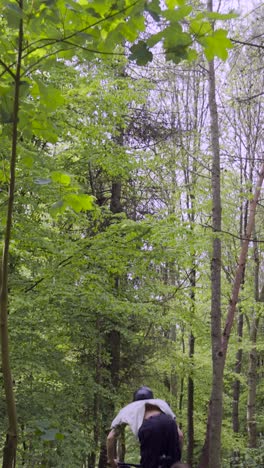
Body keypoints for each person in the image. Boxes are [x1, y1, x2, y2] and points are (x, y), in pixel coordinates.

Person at [107, 386, 183, 468]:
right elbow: (180, 436)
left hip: (150, 427)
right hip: (169, 423)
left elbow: (110, 438)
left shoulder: (128, 409)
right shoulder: (162, 406)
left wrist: (111, 461)